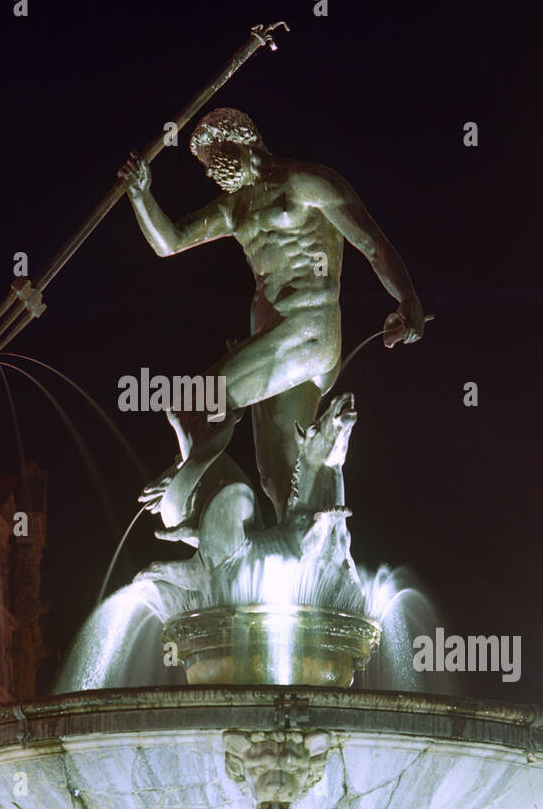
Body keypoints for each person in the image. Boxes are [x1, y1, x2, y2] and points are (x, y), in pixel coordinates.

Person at [119, 108, 424, 523]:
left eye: (212, 162)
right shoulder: (235, 208)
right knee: (276, 478)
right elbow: (170, 242)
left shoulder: (308, 182)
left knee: (190, 403)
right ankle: (304, 560)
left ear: (236, 143)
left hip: (308, 332)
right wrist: (140, 195)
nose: (210, 175)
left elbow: (372, 244)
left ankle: (189, 495)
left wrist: (406, 298)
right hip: (276, 342)